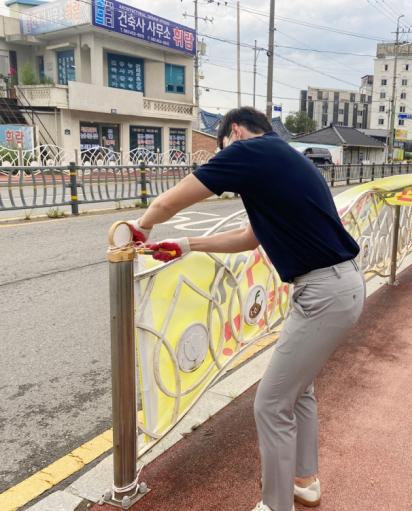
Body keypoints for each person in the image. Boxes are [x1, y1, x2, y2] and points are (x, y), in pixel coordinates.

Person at [129, 107, 365, 511]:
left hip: (323, 292)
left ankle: (275, 505)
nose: (223, 158)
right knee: (298, 391)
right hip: (338, 285)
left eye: (222, 147)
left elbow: (169, 201)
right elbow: (248, 237)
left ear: (235, 132)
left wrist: (141, 226)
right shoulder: (283, 160)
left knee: (271, 404)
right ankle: (305, 481)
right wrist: (186, 244)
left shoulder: (248, 152)